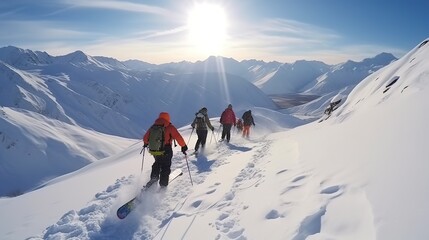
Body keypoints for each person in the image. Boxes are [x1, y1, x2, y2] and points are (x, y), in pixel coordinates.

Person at [143, 112, 188, 187]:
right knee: (165, 166)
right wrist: (183, 146)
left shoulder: (153, 126)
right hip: (166, 150)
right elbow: (178, 137)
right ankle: (163, 184)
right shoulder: (170, 127)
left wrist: (146, 143)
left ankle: (154, 177)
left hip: (155, 150)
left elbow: (145, 138)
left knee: (157, 162)